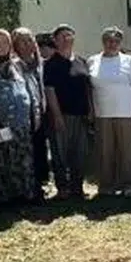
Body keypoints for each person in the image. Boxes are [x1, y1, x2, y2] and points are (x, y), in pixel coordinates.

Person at [0, 29, 39, 206]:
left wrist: (34, 113)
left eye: (6, 42)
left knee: (23, 159)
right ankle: (4, 198)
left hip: (21, 123)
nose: (2, 46)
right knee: (1, 160)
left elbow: (29, 89)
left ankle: (25, 194)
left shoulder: (17, 66)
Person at [88, 27, 131, 196]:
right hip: (102, 113)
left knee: (127, 151)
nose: (112, 44)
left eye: (116, 41)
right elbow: (89, 88)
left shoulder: (129, 61)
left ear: (120, 43)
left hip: (125, 114)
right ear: (103, 42)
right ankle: (106, 185)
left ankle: (129, 184)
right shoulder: (92, 61)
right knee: (105, 151)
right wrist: (91, 109)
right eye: (108, 41)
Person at [43, 23, 91, 200]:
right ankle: (62, 188)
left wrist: (91, 110)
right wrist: (57, 116)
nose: (66, 39)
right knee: (60, 153)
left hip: (81, 115)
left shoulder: (81, 61)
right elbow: (49, 90)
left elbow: (88, 88)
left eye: (69, 35)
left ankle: (77, 187)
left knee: (80, 153)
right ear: (55, 40)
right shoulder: (50, 64)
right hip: (61, 115)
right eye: (62, 36)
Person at [14, 28, 51, 202]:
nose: (28, 44)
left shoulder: (40, 63)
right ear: (15, 45)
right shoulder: (13, 66)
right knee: (26, 153)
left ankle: (39, 185)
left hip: (40, 114)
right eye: (22, 41)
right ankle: (27, 188)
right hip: (23, 116)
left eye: (30, 40)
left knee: (39, 150)